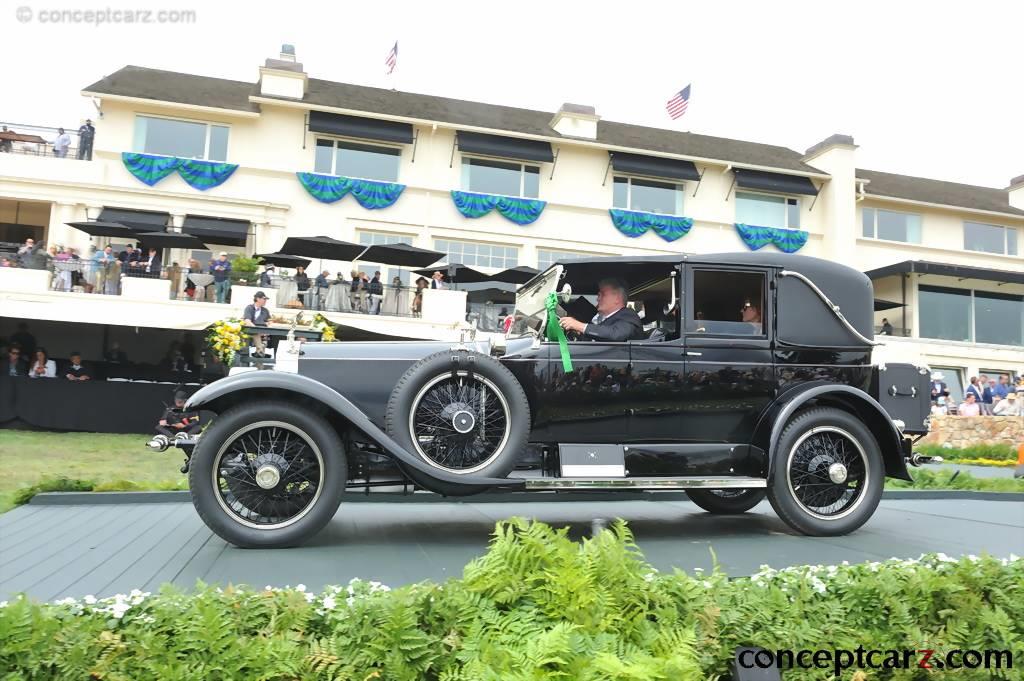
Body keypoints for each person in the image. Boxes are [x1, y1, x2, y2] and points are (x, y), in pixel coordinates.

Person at [558, 278, 644, 342]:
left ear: (617, 298)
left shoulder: (629, 316)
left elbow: (616, 334)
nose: (598, 299)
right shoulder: (598, 319)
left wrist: (579, 326)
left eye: (602, 295)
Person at [242, 291, 271, 357]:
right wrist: (256, 329)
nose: (265, 301)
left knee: (267, 337)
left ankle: (259, 353)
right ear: (258, 299)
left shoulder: (265, 310)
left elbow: (269, 322)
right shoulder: (249, 308)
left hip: (263, 332)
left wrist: (268, 328)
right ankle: (260, 352)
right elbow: (247, 321)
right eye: (264, 299)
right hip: (251, 330)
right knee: (256, 333)